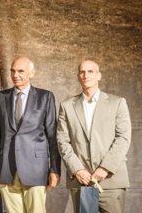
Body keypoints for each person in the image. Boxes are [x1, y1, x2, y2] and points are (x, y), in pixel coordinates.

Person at [57, 60, 131, 212]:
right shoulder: (66, 106)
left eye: (90, 71)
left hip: (111, 181)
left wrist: (105, 168)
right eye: (82, 72)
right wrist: (77, 170)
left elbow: (123, 138)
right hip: (80, 181)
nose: (86, 75)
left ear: (99, 75)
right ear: (78, 76)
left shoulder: (117, 103)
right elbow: (62, 141)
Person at [0, 56, 60, 213]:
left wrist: (55, 169)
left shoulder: (45, 97)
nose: (15, 75)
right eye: (12, 71)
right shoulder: (0, 97)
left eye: (20, 71)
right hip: (7, 169)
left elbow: (52, 137)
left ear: (32, 73)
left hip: (36, 169)